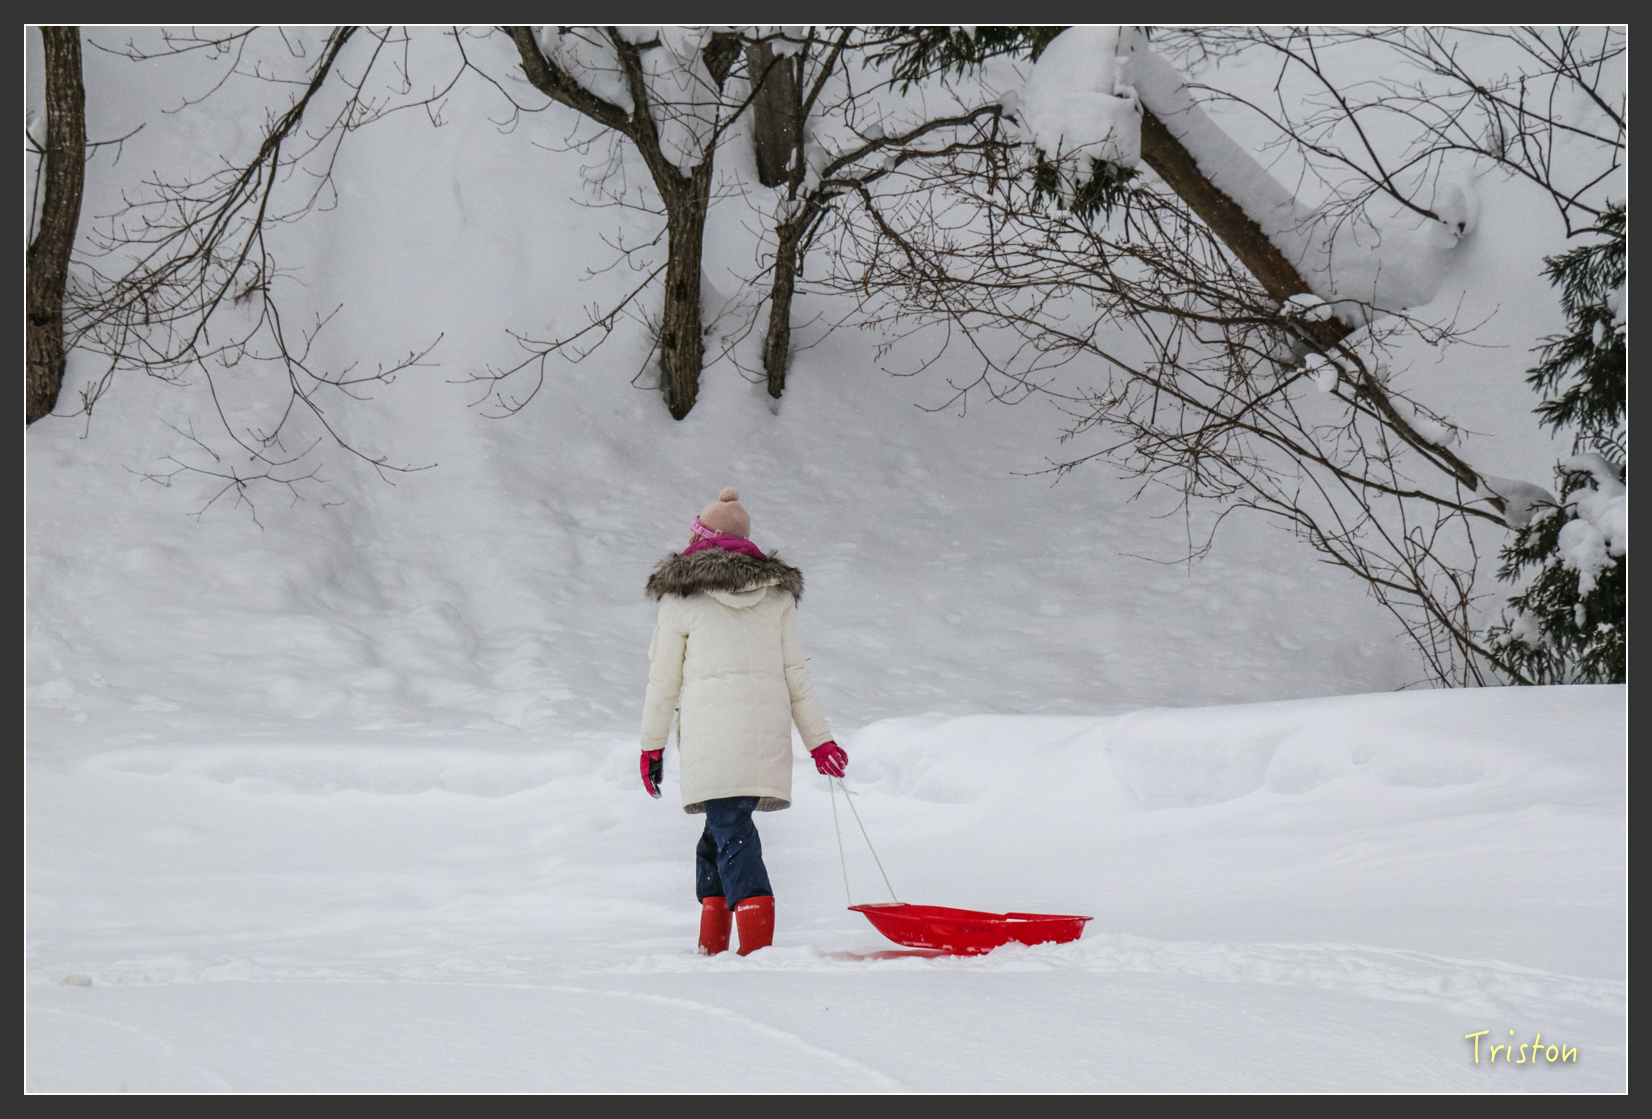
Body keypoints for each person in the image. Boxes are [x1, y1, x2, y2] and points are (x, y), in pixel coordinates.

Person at [640, 487, 848, 956]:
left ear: (702, 539)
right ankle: (711, 949)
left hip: (712, 741)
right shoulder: (775, 597)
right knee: (717, 837)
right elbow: (796, 675)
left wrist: (651, 746)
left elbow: (663, 681)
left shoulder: (681, 598)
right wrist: (819, 741)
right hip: (763, 738)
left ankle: (756, 954)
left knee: (733, 835)